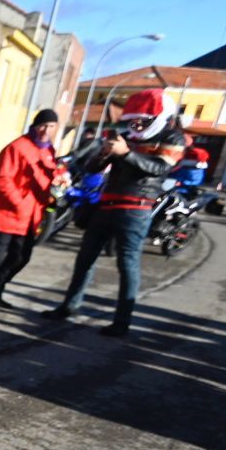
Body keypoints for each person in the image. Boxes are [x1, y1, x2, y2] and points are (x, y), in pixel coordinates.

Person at [43, 89, 186, 335]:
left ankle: (122, 322)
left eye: (143, 120)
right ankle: (69, 306)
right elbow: (93, 168)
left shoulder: (172, 137)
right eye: (133, 119)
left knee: (127, 263)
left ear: (159, 118)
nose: (137, 124)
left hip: (136, 208)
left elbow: (159, 168)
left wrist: (126, 154)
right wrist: (103, 154)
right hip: (106, 203)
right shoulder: (124, 136)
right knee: (84, 259)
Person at [0, 109, 68, 311]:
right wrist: (19, 204)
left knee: (20, 257)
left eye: (51, 126)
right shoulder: (17, 147)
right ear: (34, 126)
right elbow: (2, 179)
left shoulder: (49, 151)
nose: (46, 130)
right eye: (43, 125)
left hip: (31, 218)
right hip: (7, 215)